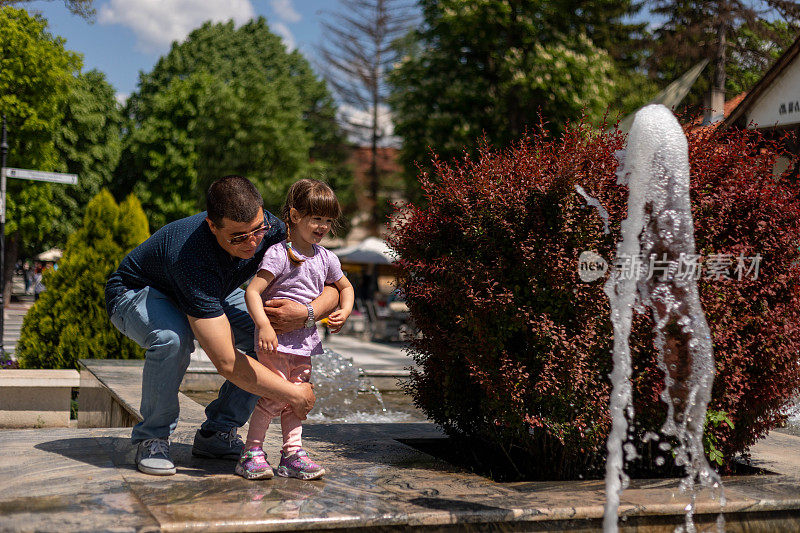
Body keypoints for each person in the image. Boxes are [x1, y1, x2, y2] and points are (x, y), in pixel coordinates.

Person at [105, 175, 341, 476]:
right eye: (238, 237)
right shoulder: (189, 254)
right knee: (172, 339)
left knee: (269, 334)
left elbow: (334, 285)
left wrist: (307, 312)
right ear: (212, 226)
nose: (253, 242)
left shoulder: (273, 229)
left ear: (263, 214)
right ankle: (152, 437)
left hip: (213, 289)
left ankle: (217, 434)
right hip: (140, 291)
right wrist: (293, 394)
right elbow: (227, 362)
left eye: (257, 230)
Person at [236, 178, 354, 481]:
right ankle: (252, 453)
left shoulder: (327, 258)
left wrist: (346, 309)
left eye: (328, 220)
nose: (322, 226)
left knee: (297, 398)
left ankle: (291, 454)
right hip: (275, 343)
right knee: (274, 398)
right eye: (316, 218)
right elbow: (252, 291)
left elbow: (345, 287)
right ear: (295, 215)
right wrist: (263, 325)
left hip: (304, 344)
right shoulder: (278, 254)